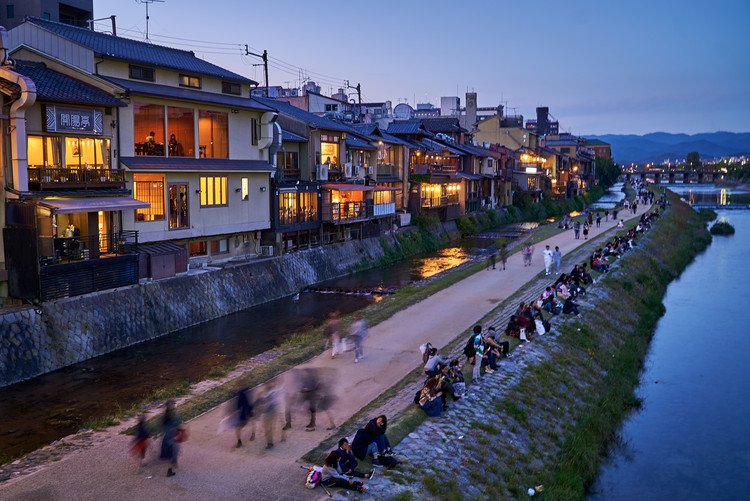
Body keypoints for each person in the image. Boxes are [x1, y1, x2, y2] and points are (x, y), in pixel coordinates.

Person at [159, 400, 182, 477]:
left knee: (171, 454)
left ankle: (174, 464)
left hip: (166, 438)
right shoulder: (175, 416)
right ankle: (170, 470)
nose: (174, 405)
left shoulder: (163, 416)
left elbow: (161, 426)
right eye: (173, 404)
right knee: (173, 454)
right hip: (173, 437)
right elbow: (178, 425)